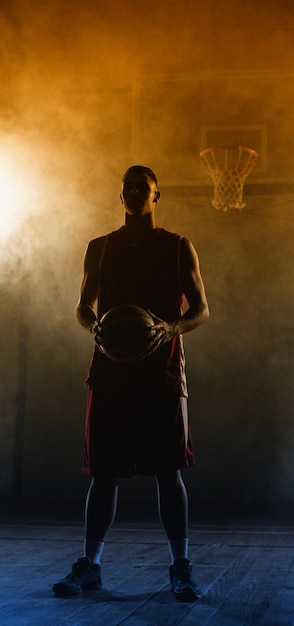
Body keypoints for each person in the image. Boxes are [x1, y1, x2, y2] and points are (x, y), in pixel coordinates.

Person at [53, 165, 209, 602]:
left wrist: (170, 328)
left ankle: (180, 567)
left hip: (161, 369)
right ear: (120, 195)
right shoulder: (100, 248)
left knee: (167, 471)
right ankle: (91, 566)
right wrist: (95, 327)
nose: (136, 191)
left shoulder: (178, 247)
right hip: (111, 368)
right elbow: (83, 307)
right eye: (129, 186)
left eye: (144, 186)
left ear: (157, 196)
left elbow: (202, 309)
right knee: (104, 473)